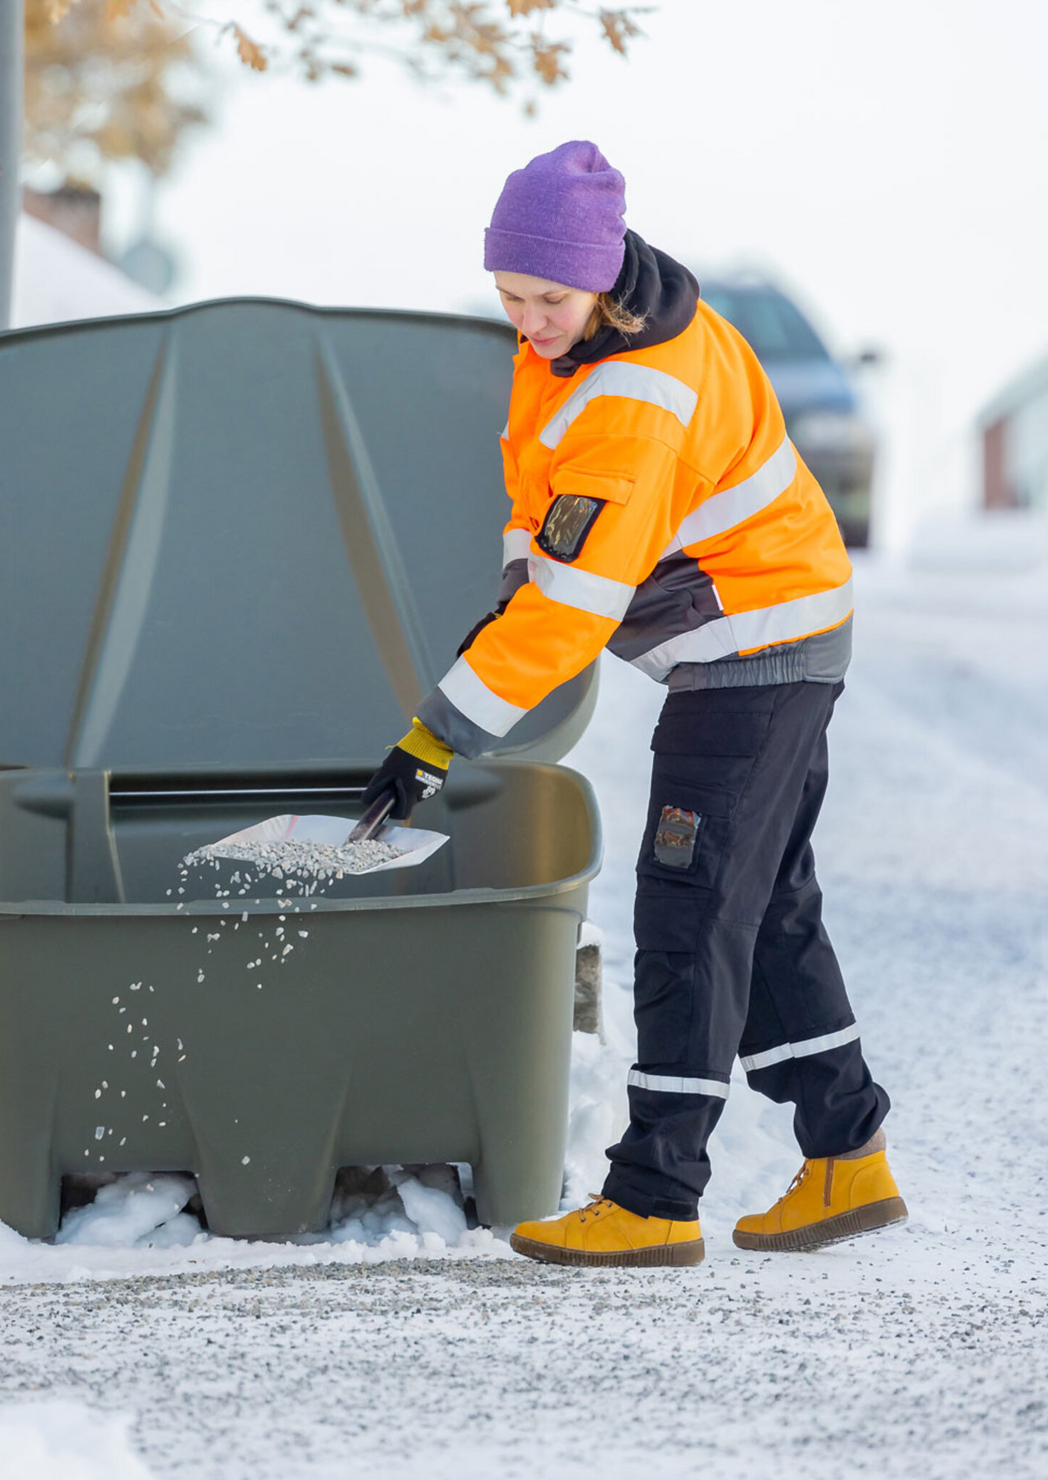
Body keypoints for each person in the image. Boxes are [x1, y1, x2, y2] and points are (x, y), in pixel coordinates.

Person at [361, 140, 906, 1266]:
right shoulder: (579, 337)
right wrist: (516, 591)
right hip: (775, 635)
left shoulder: (636, 393)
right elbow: (541, 495)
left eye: (548, 297)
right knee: (767, 906)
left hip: (754, 647)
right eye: (508, 295)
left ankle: (656, 1196)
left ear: (603, 277)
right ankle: (848, 1158)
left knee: (688, 911)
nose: (527, 320)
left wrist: (432, 737)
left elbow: (575, 608)